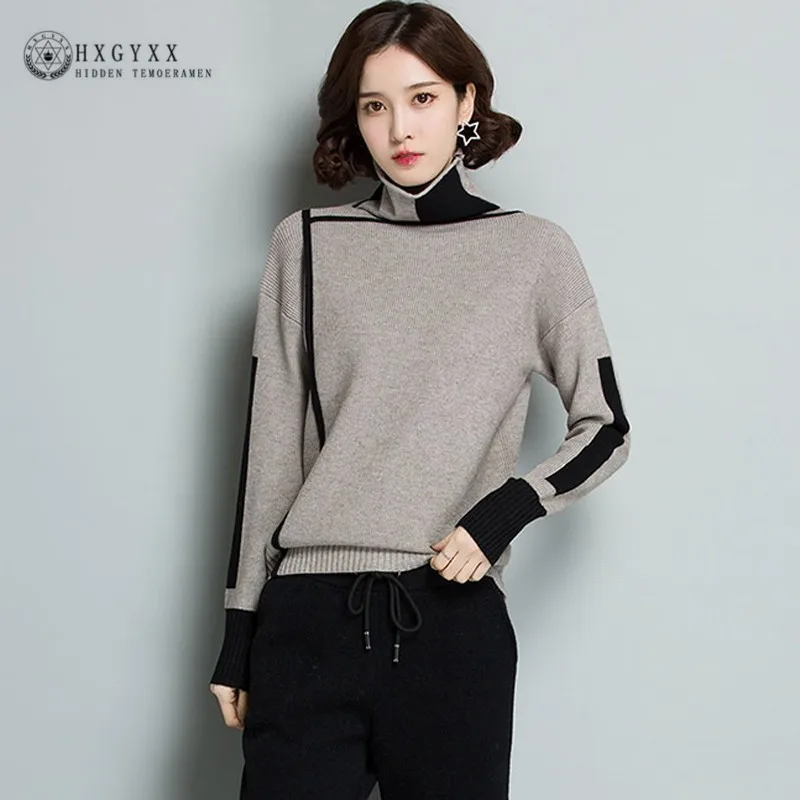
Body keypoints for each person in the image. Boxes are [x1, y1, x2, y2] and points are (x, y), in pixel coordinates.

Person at [209, 2, 632, 798]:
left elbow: (607, 426)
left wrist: (506, 510)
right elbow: (269, 450)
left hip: (451, 623)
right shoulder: (305, 243)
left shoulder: (534, 251)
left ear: (467, 100)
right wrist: (240, 632)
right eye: (375, 106)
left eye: (423, 97)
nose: (400, 128)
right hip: (306, 624)